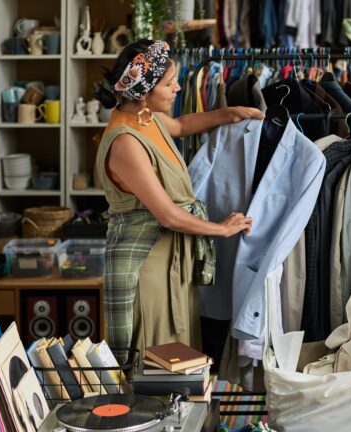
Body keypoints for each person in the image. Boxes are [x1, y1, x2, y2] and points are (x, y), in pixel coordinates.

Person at [93, 39, 264, 362]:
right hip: (148, 261)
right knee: (157, 351)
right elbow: (167, 215)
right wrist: (221, 229)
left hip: (170, 256)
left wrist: (228, 114)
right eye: (169, 84)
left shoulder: (146, 118)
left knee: (179, 348)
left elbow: (183, 125)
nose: (177, 89)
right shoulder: (125, 142)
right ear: (144, 92)